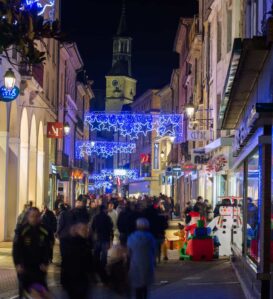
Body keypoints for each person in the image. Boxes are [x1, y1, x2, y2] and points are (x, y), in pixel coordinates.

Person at [13, 207, 51, 298]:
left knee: (45, 294)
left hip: (39, 269)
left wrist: (46, 262)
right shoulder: (22, 231)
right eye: (32, 216)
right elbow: (16, 249)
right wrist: (18, 263)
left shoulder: (44, 231)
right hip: (25, 268)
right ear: (28, 217)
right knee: (29, 294)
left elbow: (48, 249)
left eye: (37, 216)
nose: (34, 218)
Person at [61, 220, 93, 299]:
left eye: (86, 230)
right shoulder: (75, 244)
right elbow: (65, 263)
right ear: (77, 230)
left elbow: (92, 261)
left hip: (81, 279)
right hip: (75, 280)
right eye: (83, 230)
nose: (86, 232)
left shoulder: (85, 243)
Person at [127, 218, 156, 299]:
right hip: (147, 262)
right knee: (145, 286)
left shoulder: (132, 237)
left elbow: (129, 251)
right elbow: (154, 250)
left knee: (137, 287)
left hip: (135, 262)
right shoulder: (150, 237)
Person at [91, 205, 113, 282]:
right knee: (104, 254)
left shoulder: (96, 217)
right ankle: (102, 267)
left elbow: (92, 227)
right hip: (105, 238)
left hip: (97, 237)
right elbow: (111, 228)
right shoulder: (107, 218)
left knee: (96, 253)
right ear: (104, 210)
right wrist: (111, 238)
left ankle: (96, 267)